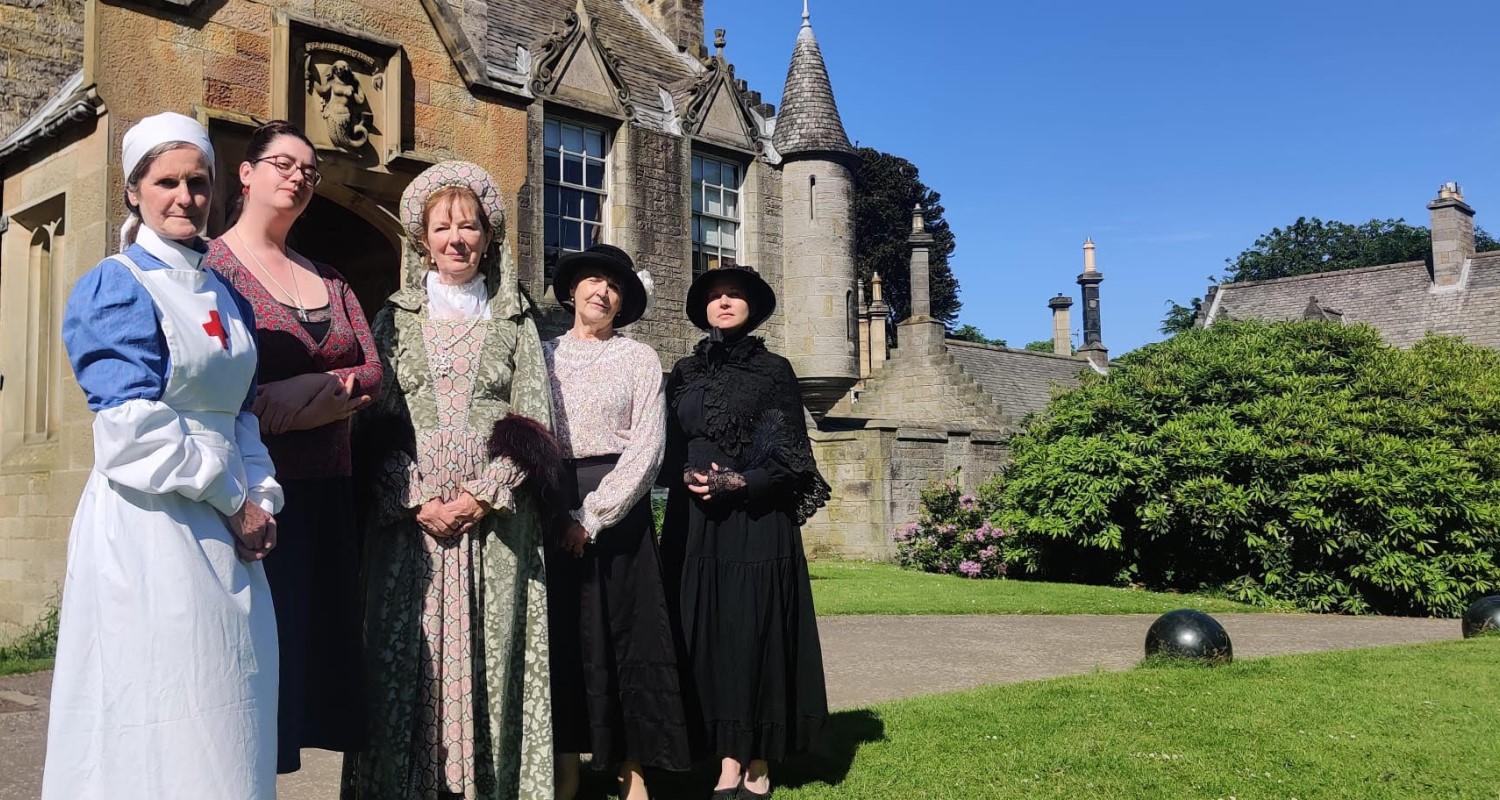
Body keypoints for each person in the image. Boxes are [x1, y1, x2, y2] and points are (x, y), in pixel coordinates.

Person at [42, 112, 282, 799]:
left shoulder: (225, 292)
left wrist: (261, 498)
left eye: (197, 182)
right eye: (167, 181)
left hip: (228, 527)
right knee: (162, 708)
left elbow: (240, 413)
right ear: (134, 191)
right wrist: (235, 500)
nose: (185, 197)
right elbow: (129, 430)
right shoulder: (117, 285)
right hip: (153, 526)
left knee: (230, 705)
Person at [342, 161, 556, 800]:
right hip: (410, 526)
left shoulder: (514, 319)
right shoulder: (393, 318)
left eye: (469, 227)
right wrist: (414, 500)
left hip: (494, 525)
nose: (456, 239)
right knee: (406, 653)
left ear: (488, 238)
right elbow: (371, 425)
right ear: (422, 239)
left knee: (492, 650)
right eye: (443, 228)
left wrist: (482, 494)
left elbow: (533, 419)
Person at [204, 119, 382, 773]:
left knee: (308, 665)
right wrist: (317, 403)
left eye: (309, 169)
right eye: (284, 163)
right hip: (251, 499)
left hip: (327, 494)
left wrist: (308, 391)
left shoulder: (330, 279)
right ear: (246, 174)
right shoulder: (212, 269)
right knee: (250, 672)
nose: (299, 176)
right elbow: (218, 382)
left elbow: (372, 371)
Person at [659, 265, 831, 800]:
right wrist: (684, 475)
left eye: (734, 296)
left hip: (755, 521)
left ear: (752, 307)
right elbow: (667, 444)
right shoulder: (684, 371)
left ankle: (749, 761)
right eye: (715, 296)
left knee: (750, 634)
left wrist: (739, 482)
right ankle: (714, 749)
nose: (725, 302)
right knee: (701, 635)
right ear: (703, 308)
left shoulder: (773, 370)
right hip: (694, 526)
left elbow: (792, 458)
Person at [543, 244, 692, 800]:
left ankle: (633, 767)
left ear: (622, 301)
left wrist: (593, 515)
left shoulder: (639, 358)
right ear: (573, 290)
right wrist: (557, 513)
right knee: (561, 638)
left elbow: (649, 446)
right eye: (592, 281)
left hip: (619, 510)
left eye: (613, 285)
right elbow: (529, 434)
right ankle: (567, 768)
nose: (601, 291)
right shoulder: (541, 355)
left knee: (629, 638)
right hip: (551, 504)